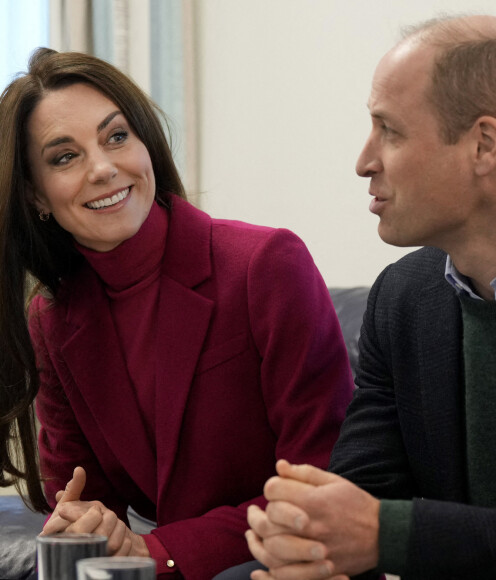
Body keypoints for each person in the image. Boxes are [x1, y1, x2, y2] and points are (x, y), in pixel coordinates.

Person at [242, 14, 496, 580]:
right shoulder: (402, 298)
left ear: (484, 145)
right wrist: (308, 541)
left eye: (389, 131)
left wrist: (396, 535)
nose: (363, 162)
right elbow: (361, 494)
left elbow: (382, 530)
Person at [0, 47, 354, 579]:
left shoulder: (265, 264)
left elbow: (322, 485)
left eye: (116, 136)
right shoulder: (52, 321)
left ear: (146, 144)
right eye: (64, 157)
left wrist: (157, 550)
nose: (103, 168)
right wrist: (86, 527)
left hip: (288, 563)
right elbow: (85, 502)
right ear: (36, 196)